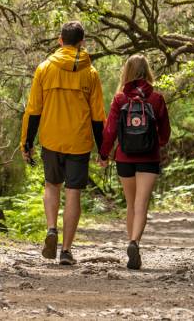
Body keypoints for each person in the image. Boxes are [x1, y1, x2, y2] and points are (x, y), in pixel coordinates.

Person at [20, 21, 106, 265]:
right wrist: (103, 149)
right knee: (74, 194)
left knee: (51, 185)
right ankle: (66, 250)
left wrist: (26, 143)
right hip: (79, 141)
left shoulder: (45, 68)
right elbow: (98, 115)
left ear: (60, 40)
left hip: (51, 138)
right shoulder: (91, 73)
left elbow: (33, 110)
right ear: (82, 43)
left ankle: (50, 228)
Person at [98, 54, 170, 270]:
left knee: (131, 204)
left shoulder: (120, 99)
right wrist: (157, 143)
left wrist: (103, 154)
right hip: (149, 157)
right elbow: (165, 133)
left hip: (124, 157)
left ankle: (131, 245)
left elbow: (110, 130)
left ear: (127, 72)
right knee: (141, 204)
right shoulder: (156, 98)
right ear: (147, 71)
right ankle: (134, 242)